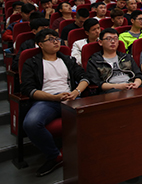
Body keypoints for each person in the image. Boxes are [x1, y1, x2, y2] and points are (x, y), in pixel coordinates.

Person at [21, 28, 89, 177]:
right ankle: (55, 156)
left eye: (57, 39)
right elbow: (28, 89)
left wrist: (76, 92)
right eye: (50, 39)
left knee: (95, 116)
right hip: (46, 100)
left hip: (71, 98)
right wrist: (53, 98)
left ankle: (88, 152)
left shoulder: (68, 60)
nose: (56, 42)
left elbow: (84, 77)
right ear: (40, 44)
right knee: (31, 123)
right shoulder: (32, 63)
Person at [86, 28, 142, 93]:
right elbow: (98, 83)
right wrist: (119, 86)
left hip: (131, 86)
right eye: (109, 39)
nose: (113, 41)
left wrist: (136, 84)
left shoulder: (126, 57)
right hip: (111, 90)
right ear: (100, 42)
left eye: (116, 39)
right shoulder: (94, 61)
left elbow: (138, 75)